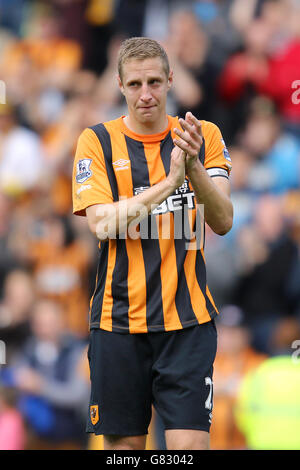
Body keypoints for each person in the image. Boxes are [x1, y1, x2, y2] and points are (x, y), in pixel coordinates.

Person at [72, 37, 233, 450]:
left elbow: (224, 220)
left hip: (188, 321)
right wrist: (167, 185)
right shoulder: (97, 142)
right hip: (118, 322)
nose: (146, 94)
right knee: (125, 450)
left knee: (189, 448)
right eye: (136, 84)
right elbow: (101, 224)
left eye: (156, 82)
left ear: (170, 80)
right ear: (120, 85)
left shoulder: (201, 136)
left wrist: (192, 166)